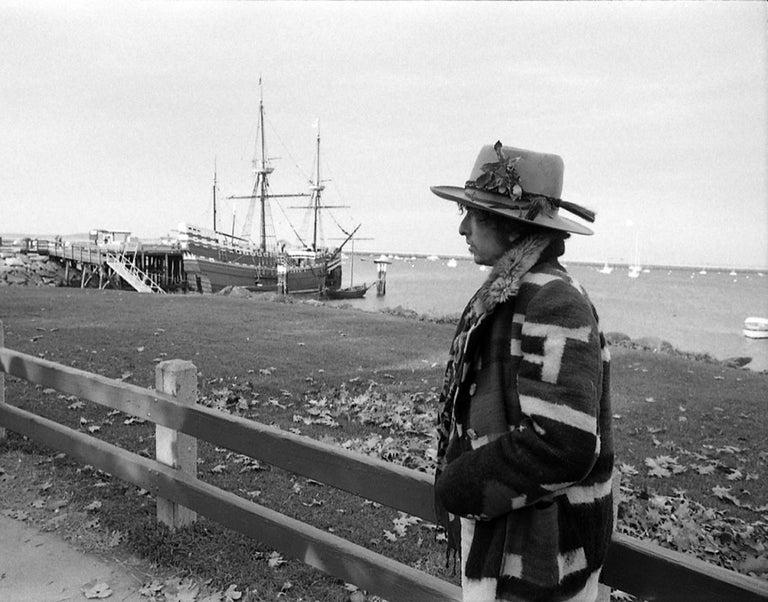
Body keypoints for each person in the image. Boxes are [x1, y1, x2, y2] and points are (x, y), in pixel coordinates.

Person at [430, 141, 614, 601]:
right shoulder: (516, 290)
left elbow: (564, 445)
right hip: (510, 538)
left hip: (542, 559)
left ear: (513, 225)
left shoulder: (555, 301)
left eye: (475, 214)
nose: (462, 228)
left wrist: (460, 483)